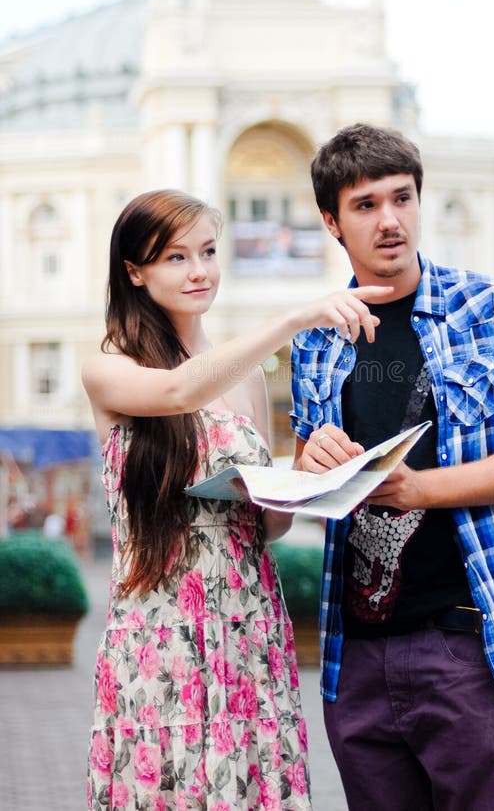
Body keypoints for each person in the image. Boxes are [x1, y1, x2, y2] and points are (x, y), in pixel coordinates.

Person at [290, 124, 494, 811]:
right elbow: (310, 470)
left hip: (468, 641)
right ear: (332, 221)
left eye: (402, 198)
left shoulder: (490, 309)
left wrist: (422, 488)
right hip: (355, 652)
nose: (390, 220)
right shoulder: (313, 339)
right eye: (365, 205)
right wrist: (309, 459)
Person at [82, 188, 390, 810]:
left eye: (208, 252)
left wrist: (306, 478)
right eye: (174, 257)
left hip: (249, 622)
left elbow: (267, 526)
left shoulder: (249, 378)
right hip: (161, 628)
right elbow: (176, 392)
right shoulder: (110, 367)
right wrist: (291, 321)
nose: (199, 271)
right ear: (134, 271)